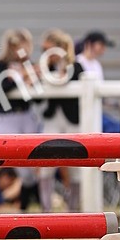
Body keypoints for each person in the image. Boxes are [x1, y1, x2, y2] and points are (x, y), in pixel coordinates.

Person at [0, 28, 41, 210]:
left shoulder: (30, 64)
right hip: (7, 117)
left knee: (33, 158)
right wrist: (22, 77)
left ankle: (31, 202)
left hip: (26, 115)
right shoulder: (1, 65)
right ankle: (28, 196)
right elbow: (3, 89)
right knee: (15, 159)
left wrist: (34, 77)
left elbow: (39, 95)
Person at [38, 28, 81, 212]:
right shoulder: (43, 67)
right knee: (45, 161)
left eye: (49, 49)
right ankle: (46, 209)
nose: (46, 54)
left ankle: (73, 208)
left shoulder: (77, 67)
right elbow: (38, 96)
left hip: (72, 120)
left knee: (76, 165)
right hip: (52, 119)